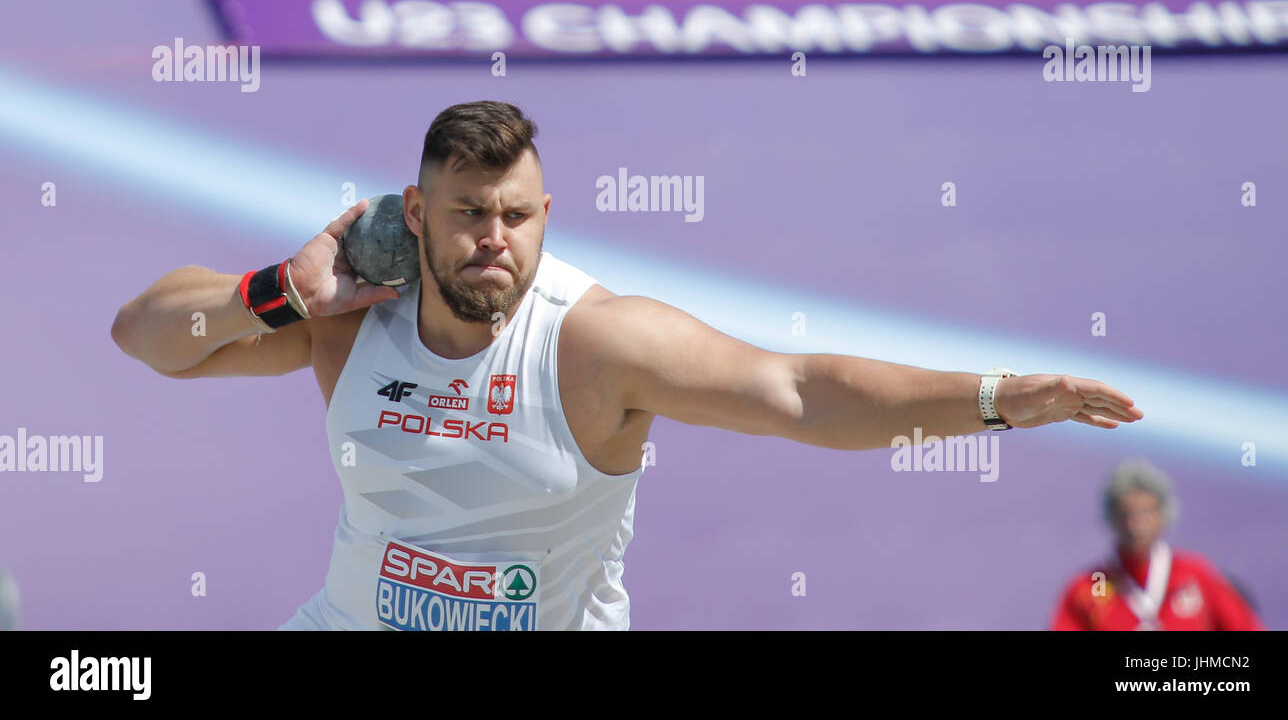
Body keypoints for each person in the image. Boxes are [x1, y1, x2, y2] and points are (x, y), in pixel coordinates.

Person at [112, 100, 1142, 631]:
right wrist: (277, 289)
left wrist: (1000, 399)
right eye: (467, 213)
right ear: (416, 215)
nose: (493, 238)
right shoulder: (349, 316)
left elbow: (798, 391)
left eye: (516, 215)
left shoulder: (594, 342)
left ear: (544, 217)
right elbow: (147, 336)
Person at [1050, 459, 1265, 630]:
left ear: (1163, 515)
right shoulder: (1086, 588)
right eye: (1127, 515)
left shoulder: (1196, 575)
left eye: (1146, 514)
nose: (1136, 525)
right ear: (1111, 518)